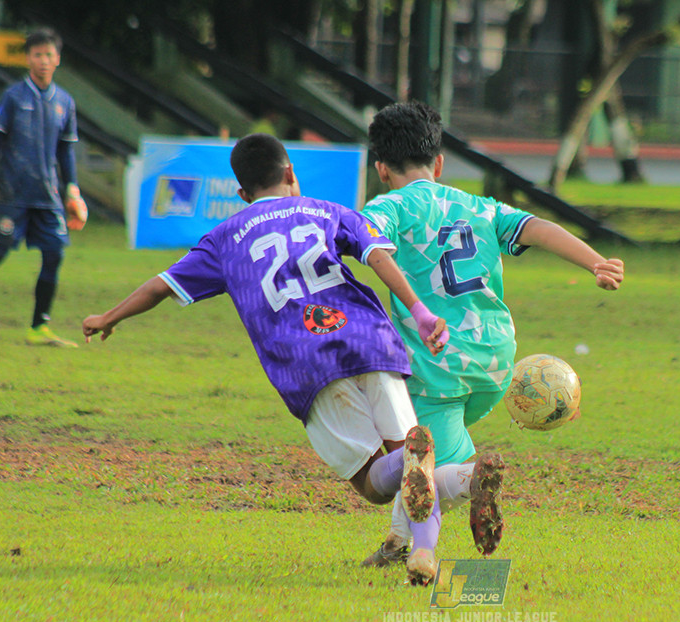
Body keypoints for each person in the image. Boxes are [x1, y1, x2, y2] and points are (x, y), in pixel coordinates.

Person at [82, 133, 450, 585]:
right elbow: (376, 256)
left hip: (305, 360)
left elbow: (161, 286)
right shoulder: (329, 211)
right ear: (291, 173)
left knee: (375, 481)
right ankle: (438, 523)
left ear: (241, 193)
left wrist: (109, 316)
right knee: (411, 460)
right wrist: (420, 310)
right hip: (370, 340)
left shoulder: (224, 239)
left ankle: (411, 533)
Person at [360, 100, 625, 570]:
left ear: (382, 169)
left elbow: (371, 245)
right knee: (424, 459)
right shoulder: (477, 206)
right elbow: (537, 228)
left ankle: (468, 482)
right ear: (439, 163)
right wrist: (594, 261)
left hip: (437, 360)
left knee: (428, 465)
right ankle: (399, 542)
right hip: (497, 357)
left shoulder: (389, 206)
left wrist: (415, 306)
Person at [0, 28, 88, 347]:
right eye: (37, 54)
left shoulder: (65, 101)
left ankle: (39, 327)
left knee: (54, 255)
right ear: (27, 58)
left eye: (49, 54)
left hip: (47, 196)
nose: (44, 60)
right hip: (13, 194)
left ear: (58, 59)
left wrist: (72, 189)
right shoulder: (13, 96)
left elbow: (65, 150)